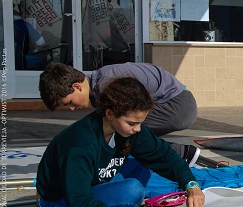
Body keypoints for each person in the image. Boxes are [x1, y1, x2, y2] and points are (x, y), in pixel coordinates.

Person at [36, 77, 205, 207]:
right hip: (57, 204)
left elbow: (163, 155)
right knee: (132, 190)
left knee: (142, 167)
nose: (138, 129)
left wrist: (190, 184)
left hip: (87, 188)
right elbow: (80, 204)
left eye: (141, 122)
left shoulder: (128, 129)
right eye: (132, 123)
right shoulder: (80, 144)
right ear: (109, 114)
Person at [38, 62, 200, 166]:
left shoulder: (106, 84)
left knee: (121, 126)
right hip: (174, 102)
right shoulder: (98, 85)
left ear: (77, 86)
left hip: (178, 106)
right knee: (116, 128)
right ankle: (176, 152)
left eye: (69, 103)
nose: (72, 109)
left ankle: (180, 153)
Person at [13, 0, 45, 70]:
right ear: (23, 13)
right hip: (20, 61)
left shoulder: (3, 25)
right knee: (40, 60)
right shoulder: (25, 25)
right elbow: (41, 42)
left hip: (5, 62)